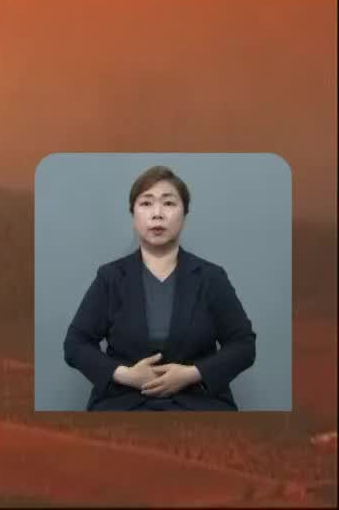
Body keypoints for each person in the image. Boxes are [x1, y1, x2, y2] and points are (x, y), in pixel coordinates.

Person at [62, 165, 256, 410]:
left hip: (197, 402)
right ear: (133, 214)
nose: (157, 214)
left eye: (168, 203)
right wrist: (125, 375)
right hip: (124, 403)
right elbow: (75, 344)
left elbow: (244, 345)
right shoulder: (110, 277)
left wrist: (192, 374)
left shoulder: (210, 278)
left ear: (184, 214)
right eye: (146, 203)